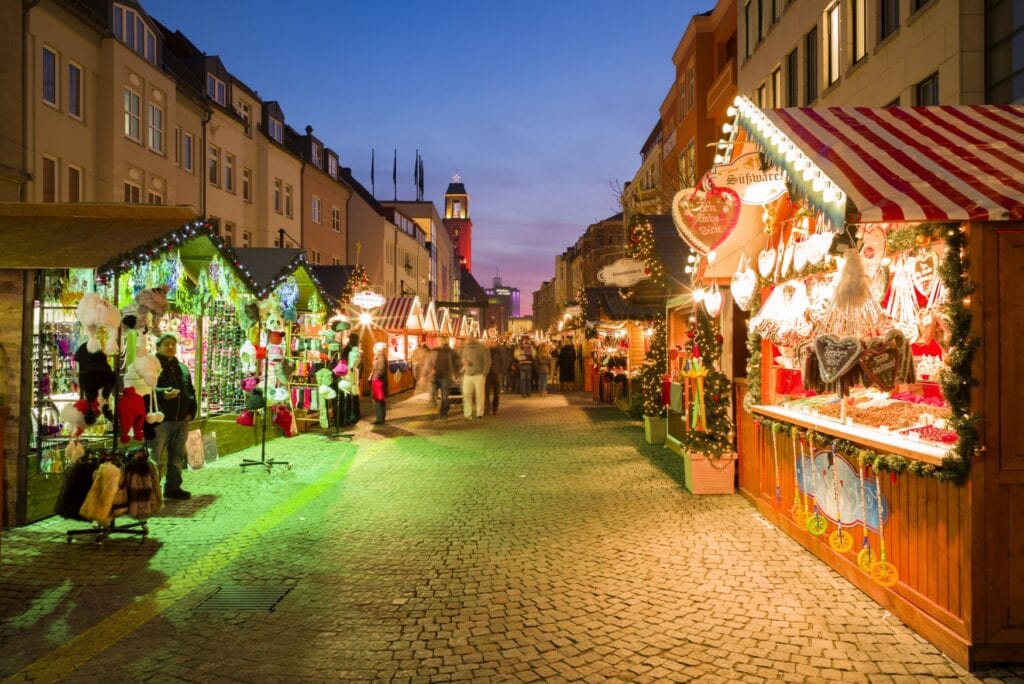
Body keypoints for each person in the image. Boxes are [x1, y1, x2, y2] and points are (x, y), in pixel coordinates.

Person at [147, 333, 197, 500]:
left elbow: (190, 390)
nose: (170, 347)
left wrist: (192, 410)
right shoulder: (151, 367)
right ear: (158, 347)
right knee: (155, 457)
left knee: (177, 456)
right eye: (166, 344)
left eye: (173, 344)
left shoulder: (181, 367)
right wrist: (162, 394)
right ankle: (152, 491)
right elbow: (145, 389)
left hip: (181, 420)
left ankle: (173, 487)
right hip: (160, 421)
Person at [460, 333, 491, 419]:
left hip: (479, 374)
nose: (468, 339)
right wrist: (464, 361)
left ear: (475, 337)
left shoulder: (482, 348)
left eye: (470, 337)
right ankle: (467, 413)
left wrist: (484, 373)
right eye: (467, 337)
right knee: (466, 394)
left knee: (479, 395)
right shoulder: (465, 347)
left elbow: (487, 361)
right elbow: (463, 357)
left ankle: (479, 413)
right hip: (468, 374)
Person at [430, 338, 460, 418]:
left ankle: (444, 412)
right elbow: (429, 362)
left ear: (444, 342)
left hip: (446, 377)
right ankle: (439, 407)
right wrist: (425, 374)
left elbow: (454, 363)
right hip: (435, 377)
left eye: (440, 341)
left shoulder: (449, 351)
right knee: (432, 394)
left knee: (445, 397)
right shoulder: (434, 351)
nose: (439, 343)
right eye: (437, 341)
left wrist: (454, 374)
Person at [338, 333, 362, 425]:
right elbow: (353, 365)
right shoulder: (354, 351)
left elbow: (344, 362)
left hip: (346, 375)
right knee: (351, 397)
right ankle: (349, 417)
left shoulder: (346, 349)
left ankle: (346, 418)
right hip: (350, 376)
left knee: (347, 397)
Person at [485, 338, 507, 415]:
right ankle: (487, 408)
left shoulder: (499, 351)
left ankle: (495, 408)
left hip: (497, 373)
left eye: (491, 342)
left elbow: (504, 361)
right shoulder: (486, 351)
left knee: (496, 393)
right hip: (487, 374)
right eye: (488, 342)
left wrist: (502, 371)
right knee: (486, 393)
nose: (489, 343)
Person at [370, 341, 388, 425]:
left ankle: (379, 419)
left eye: (374, 348)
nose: (373, 349)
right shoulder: (379, 357)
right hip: (377, 381)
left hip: (377, 382)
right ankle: (381, 418)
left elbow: (380, 370)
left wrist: (374, 378)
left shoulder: (380, 358)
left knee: (377, 400)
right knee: (379, 400)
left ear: (377, 349)